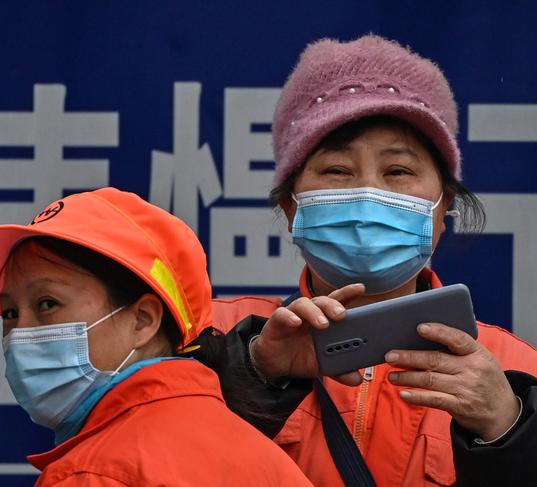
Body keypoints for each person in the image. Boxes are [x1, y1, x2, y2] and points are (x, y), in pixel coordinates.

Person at [202, 35, 537, 487]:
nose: (367, 194)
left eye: (398, 171)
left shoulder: (515, 371)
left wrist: (508, 432)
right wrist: (254, 377)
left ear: (443, 209)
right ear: (291, 208)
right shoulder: (214, 338)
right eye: (337, 171)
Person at [0, 187, 313, 486]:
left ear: (142, 320)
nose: (20, 333)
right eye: (8, 312)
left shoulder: (96, 472)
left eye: (48, 304)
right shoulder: (262, 457)